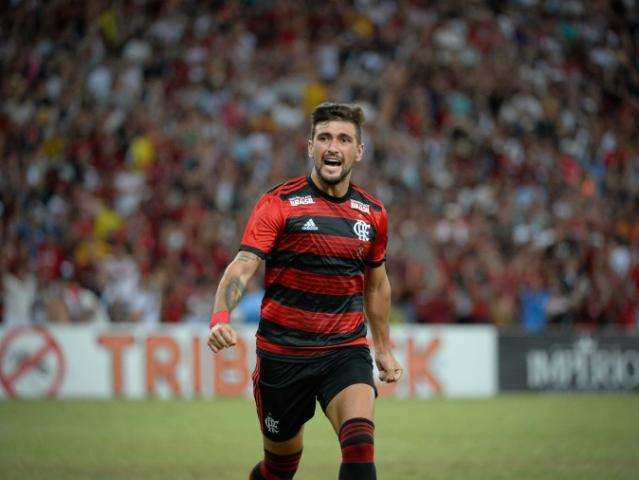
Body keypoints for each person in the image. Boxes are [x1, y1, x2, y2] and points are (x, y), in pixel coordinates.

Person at [207, 102, 402, 480]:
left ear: (358, 152)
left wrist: (382, 347)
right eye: (325, 137)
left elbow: (376, 284)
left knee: (360, 442)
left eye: (344, 139)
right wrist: (219, 318)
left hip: (344, 351)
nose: (334, 147)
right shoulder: (279, 203)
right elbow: (244, 265)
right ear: (309, 145)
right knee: (280, 469)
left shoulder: (373, 213)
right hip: (283, 355)